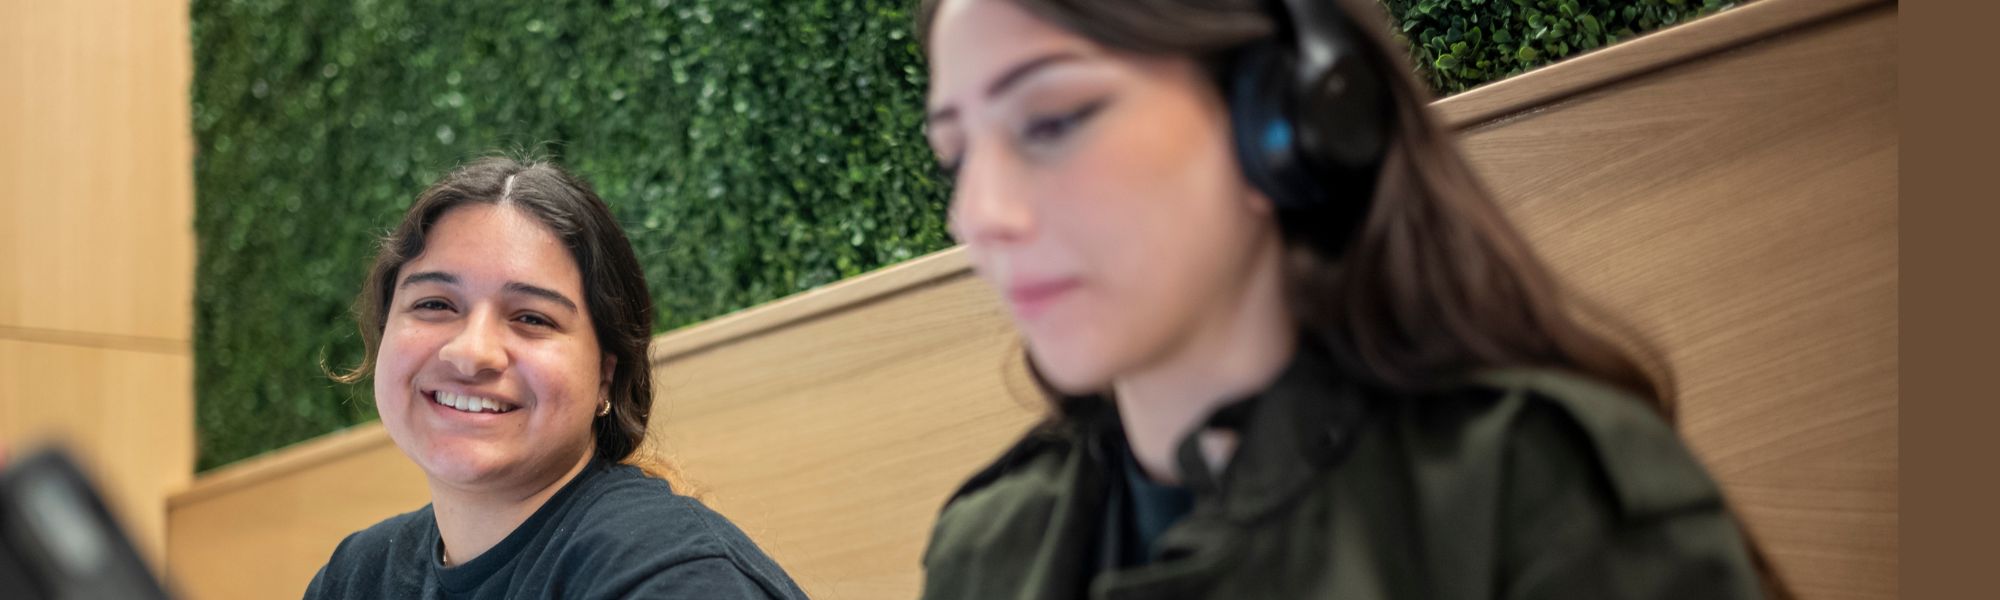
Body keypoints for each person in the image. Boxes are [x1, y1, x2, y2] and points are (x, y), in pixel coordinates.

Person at [915, 0, 1786, 598]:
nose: (979, 215)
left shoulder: (1528, 493)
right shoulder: (987, 549)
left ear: (1281, 120)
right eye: (956, 155)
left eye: (1053, 119)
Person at [305, 157, 807, 599]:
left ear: (606, 377)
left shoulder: (676, 578)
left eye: (532, 318)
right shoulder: (357, 577)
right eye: (435, 304)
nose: (472, 353)